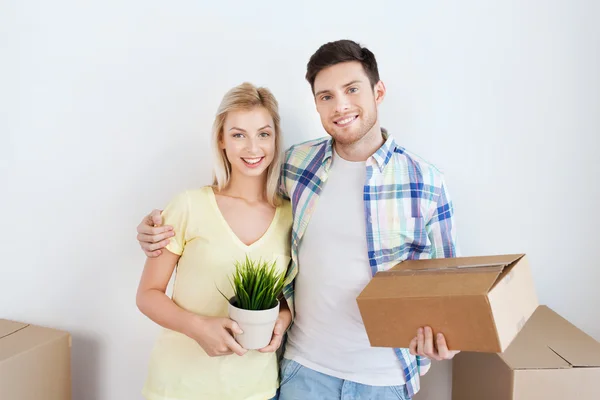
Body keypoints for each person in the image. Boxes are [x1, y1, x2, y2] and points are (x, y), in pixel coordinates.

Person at [137, 40, 459, 400]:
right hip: (302, 373)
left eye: (352, 89)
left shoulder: (427, 182)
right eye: (326, 96)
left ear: (378, 91)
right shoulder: (298, 167)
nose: (340, 106)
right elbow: (235, 202)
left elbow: (452, 289)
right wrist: (152, 228)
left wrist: (449, 340)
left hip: (383, 378)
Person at [135, 82, 293, 400]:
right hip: (179, 388)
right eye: (238, 134)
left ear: (276, 139)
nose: (252, 148)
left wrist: (284, 318)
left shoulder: (292, 216)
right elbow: (147, 295)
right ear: (221, 139)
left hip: (256, 389)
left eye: (263, 134)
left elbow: (290, 293)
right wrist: (198, 327)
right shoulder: (188, 206)